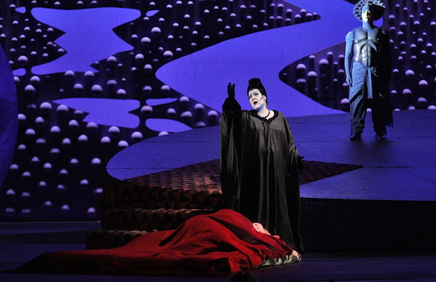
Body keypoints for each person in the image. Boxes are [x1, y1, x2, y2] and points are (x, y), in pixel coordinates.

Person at [10, 209, 299, 276]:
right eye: (264, 229)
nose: (265, 229)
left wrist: (262, 236)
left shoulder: (259, 240)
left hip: (211, 230)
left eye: (267, 231)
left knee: (166, 250)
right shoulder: (241, 221)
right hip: (205, 222)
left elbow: (276, 250)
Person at [220, 78, 305, 254]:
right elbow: (233, 117)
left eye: (256, 94)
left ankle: (281, 239)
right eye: (250, 96)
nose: (253, 98)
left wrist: (294, 157)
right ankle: (260, 239)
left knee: (278, 202)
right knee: (258, 202)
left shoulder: (279, 117)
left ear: (265, 97)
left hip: (277, 172)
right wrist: (230, 101)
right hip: (256, 173)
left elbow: (289, 142)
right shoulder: (247, 118)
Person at [344, 0, 393, 140]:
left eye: (369, 12)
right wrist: (348, 74)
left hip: (376, 71)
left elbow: (387, 57)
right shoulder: (352, 33)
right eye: (364, 12)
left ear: (374, 14)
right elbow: (348, 56)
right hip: (358, 71)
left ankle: (380, 130)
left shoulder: (382, 33)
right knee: (357, 101)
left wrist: (388, 73)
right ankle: (356, 130)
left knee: (378, 101)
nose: (367, 14)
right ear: (361, 14)